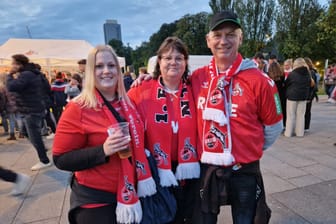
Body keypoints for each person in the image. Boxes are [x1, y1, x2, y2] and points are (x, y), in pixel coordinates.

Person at [191, 10, 283, 223]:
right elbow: (171, 90)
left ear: (240, 38)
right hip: (207, 170)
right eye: (217, 35)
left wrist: (248, 147)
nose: (224, 41)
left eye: (231, 34)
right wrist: (149, 80)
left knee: (246, 219)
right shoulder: (197, 77)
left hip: (244, 171)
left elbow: (274, 127)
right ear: (208, 41)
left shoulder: (260, 80)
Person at [52, 45, 155, 224]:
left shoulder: (128, 102)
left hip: (132, 192)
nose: (106, 71)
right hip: (97, 201)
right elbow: (61, 159)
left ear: (118, 70)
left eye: (111, 65)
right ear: (91, 71)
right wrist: (103, 150)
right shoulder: (78, 108)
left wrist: (151, 78)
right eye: (99, 66)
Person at [128, 37, 200, 223]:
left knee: (188, 215)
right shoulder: (141, 90)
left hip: (190, 170)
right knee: (165, 216)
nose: (173, 62)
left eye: (179, 58)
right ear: (159, 62)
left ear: (185, 62)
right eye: (167, 58)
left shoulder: (195, 89)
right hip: (156, 170)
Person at [6, 54, 52, 171]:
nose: (12, 66)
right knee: (24, 131)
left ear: (19, 64)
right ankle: (41, 148)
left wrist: (10, 75)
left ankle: (44, 160)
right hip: (33, 108)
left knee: (34, 135)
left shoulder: (26, 74)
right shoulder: (33, 73)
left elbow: (11, 87)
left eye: (13, 63)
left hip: (31, 110)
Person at [284, 58, 311, 137]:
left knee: (290, 115)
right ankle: (300, 133)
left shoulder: (292, 74)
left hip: (292, 96)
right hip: (303, 97)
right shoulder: (308, 73)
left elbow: (287, 84)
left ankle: (288, 133)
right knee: (301, 115)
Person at [268, 62, 286, 127]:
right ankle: (283, 125)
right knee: (282, 111)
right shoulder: (282, 75)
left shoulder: (268, 76)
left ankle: (274, 124)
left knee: (273, 111)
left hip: (272, 95)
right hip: (281, 95)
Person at [304, 57, 318, 131]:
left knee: (307, 111)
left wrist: (309, 97)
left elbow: (312, 86)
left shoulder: (311, 72)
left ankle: (306, 126)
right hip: (308, 94)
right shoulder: (309, 71)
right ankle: (305, 126)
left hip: (309, 94)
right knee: (306, 111)